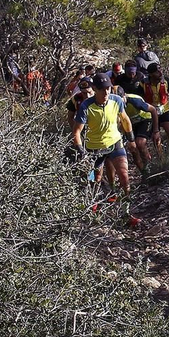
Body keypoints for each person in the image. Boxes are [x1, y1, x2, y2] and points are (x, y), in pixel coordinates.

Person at [69, 72, 144, 227]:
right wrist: (81, 151)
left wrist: (131, 140)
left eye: (108, 89)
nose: (106, 93)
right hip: (93, 149)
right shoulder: (86, 106)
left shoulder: (116, 100)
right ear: (95, 89)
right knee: (93, 180)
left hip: (115, 143)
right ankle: (92, 210)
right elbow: (76, 132)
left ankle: (126, 213)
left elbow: (125, 119)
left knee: (124, 177)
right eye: (102, 89)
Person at [141, 63, 169, 154]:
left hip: (164, 110)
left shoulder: (166, 81)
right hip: (151, 112)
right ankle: (161, 159)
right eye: (157, 71)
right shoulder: (143, 84)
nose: (160, 72)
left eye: (160, 69)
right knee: (156, 137)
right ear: (151, 74)